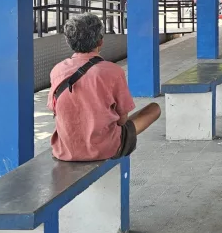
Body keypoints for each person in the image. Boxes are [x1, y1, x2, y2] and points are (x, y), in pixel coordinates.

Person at [48, 13, 161, 161]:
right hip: (106, 148)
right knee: (154, 108)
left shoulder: (57, 70)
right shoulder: (113, 71)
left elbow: (55, 110)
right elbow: (122, 120)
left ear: (69, 42)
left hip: (65, 150)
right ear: (100, 41)